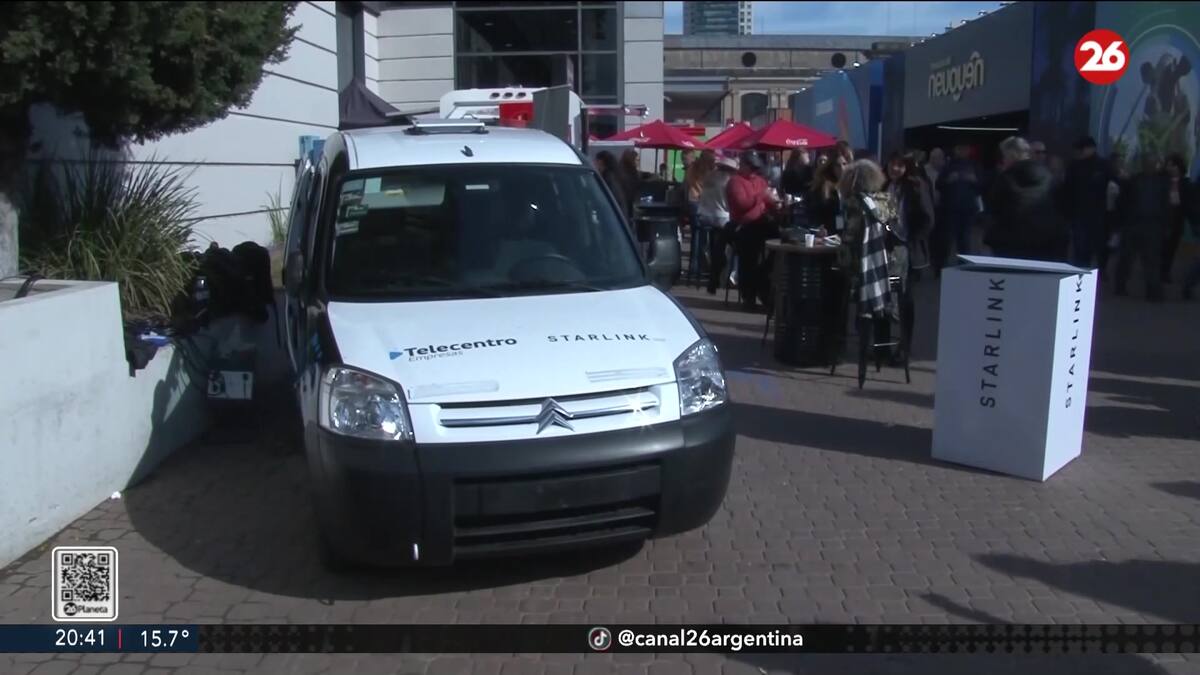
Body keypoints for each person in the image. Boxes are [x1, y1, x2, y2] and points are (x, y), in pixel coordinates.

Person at [838, 159, 910, 362]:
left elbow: (850, 239)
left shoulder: (854, 204)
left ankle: (852, 338)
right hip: (895, 266)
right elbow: (894, 227)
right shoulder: (887, 199)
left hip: (869, 271)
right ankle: (882, 346)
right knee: (881, 292)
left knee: (842, 282)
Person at [982, 136, 1068, 262]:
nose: (1003, 160)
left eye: (1004, 156)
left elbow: (995, 207)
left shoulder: (1006, 178)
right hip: (1047, 239)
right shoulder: (1048, 176)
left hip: (1011, 242)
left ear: (1011, 155)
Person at [726, 150, 781, 311]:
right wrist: (760, 196)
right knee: (748, 256)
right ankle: (748, 295)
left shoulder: (760, 181)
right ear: (743, 165)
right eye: (751, 167)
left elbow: (768, 202)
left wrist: (776, 204)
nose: (753, 171)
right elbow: (741, 204)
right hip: (743, 225)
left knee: (779, 240)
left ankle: (763, 282)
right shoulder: (735, 182)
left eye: (755, 168)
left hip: (762, 224)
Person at [1114, 153, 1169, 301]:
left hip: (1152, 225)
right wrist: (1121, 222)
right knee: (1127, 257)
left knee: (1151, 259)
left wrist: (1165, 225)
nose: (1151, 166)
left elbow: (1166, 205)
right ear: (1143, 164)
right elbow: (1122, 202)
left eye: (1153, 163)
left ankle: (1153, 290)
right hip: (1134, 224)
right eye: (1148, 163)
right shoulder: (1133, 181)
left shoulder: (1162, 183)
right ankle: (1120, 284)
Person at [1062, 136, 1112, 268]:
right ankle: (1085, 273)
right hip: (1081, 216)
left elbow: (1112, 190)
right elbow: (1067, 190)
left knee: (1096, 252)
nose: (1080, 152)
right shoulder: (1074, 166)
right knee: (1081, 252)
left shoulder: (1103, 166)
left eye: (1082, 149)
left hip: (1097, 216)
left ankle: (1095, 273)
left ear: (1091, 148)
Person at [884, 152, 935, 274]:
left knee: (902, 280)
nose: (894, 168)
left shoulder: (915, 186)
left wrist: (915, 239)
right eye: (892, 164)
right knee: (891, 280)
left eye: (899, 165)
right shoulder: (884, 185)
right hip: (889, 240)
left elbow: (927, 217)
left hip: (908, 242)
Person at [936, 143, 983, 263]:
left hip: (967, 209)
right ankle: (940, 265)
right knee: (947, 239)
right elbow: (938, 185)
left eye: (965, 149)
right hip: (950, 209)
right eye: (960, 149)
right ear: (955, 150)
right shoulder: (948, 166)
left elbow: (983, 187)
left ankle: (963, 264)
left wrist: (974, 180)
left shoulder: (974, 166)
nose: (962, 151)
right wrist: (948, 180)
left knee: (965, 239)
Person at [702, 155, 738, 295]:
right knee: (733, 247)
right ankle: (731, 274)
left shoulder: (709, 177)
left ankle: (714, 276)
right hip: (723, 217)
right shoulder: (729, 181)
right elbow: (730, 203)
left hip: (706, 215)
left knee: (716, 247)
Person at [1163, 153, 1192, 284]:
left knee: (1171, 248)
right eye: (1168, 165)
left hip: (1177, 221)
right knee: (1162, 247)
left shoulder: (1185, 183)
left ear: (1178, 167)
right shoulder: (1163, 181)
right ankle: (1159, 270)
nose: (1169, 168)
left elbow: (1187, 203)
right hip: (1163, 220)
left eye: (1172, 165)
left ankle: (1166, 271)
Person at [808, 153, 848, 234]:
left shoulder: (850, 185)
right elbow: (814, 212)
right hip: (828, 232)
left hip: (844, 230)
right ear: (832, 167)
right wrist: (818, 228)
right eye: (838, 165)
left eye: (844, 164)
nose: (842, 168)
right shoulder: (824, 187)